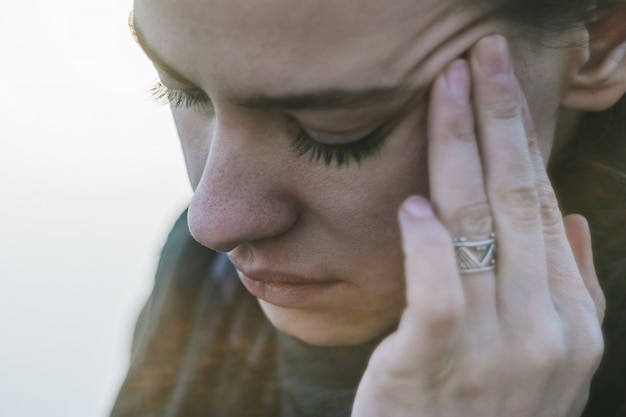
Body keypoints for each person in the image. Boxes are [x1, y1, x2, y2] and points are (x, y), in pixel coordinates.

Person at [110, 0, 626, 415]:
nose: (212, 223)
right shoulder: (206, 285)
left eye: (336, 134)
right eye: (180, 91)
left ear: (602, 42)